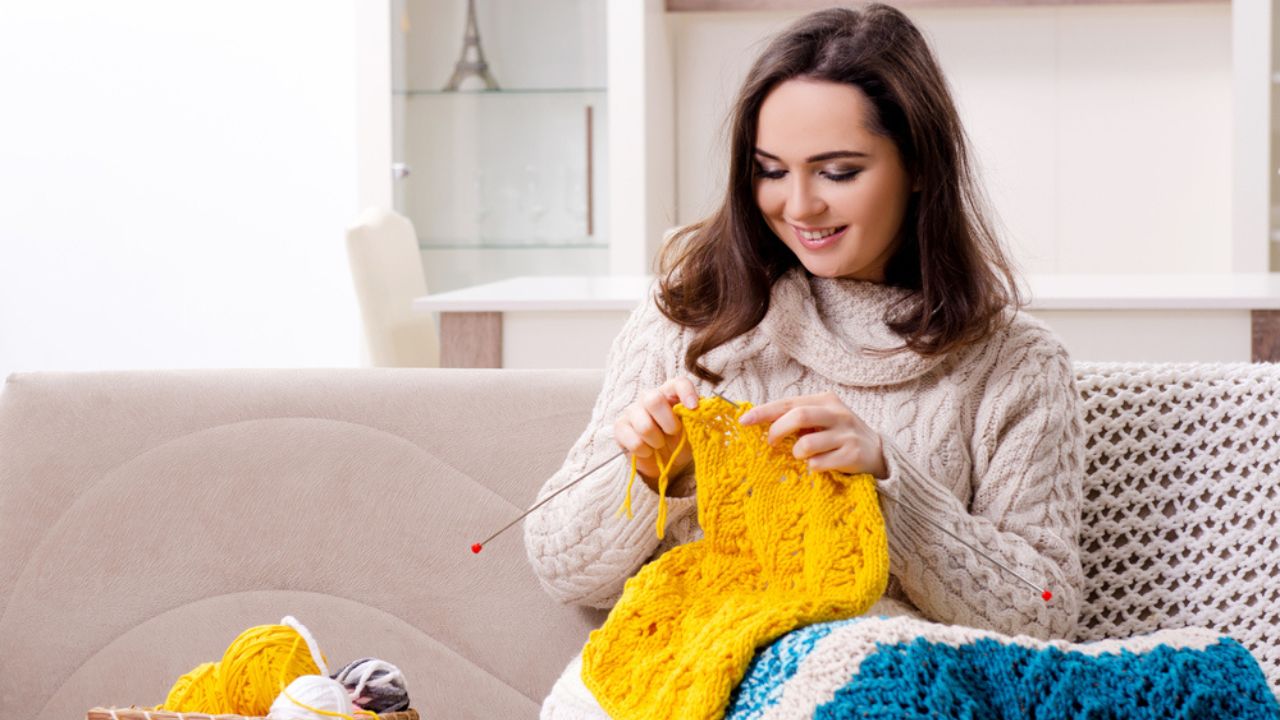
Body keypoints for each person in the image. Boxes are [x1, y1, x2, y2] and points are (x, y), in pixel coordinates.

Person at [523, 4, 1085, 718]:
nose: (799, 206)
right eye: (769, 171)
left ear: (918, 165)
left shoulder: (1015, 364)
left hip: (888, 688)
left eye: (838, 172)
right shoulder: (690, 317)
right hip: (697, 670)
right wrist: (646, 477)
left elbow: (1044, 611)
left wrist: (889, 485)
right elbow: (560, 563)